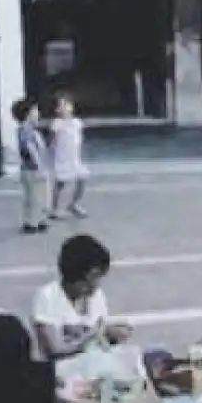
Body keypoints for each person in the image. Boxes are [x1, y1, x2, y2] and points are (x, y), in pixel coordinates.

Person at [31, 235, 133, 364]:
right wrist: (92, 337)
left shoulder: (97, 296)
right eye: (93, 277)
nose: (95, 284)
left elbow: (101, 336)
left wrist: (112, 335)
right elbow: (54, 351)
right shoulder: (47, 297)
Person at [49, 92, 89, 220]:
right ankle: (54, 209)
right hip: (62, 159)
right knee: (60, 184)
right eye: (62, 105)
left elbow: (79, 139)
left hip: (74, 159)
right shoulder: (57, 123)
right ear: (57, 109)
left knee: (83, 178)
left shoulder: (77, 122)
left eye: (67, 105)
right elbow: (52, 141)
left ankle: (74, 204)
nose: (65, 108)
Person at [12, 97, 49, 234]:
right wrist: (39, 165)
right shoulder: (26, 130)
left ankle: (33, 220)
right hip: (32, 169)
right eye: (35, 110)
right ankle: (34, 222)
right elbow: (30, 148)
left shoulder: (26, 129)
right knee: (36, 196)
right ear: (28, 114)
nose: (38, 113)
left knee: (31, 196)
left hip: (27, 169)